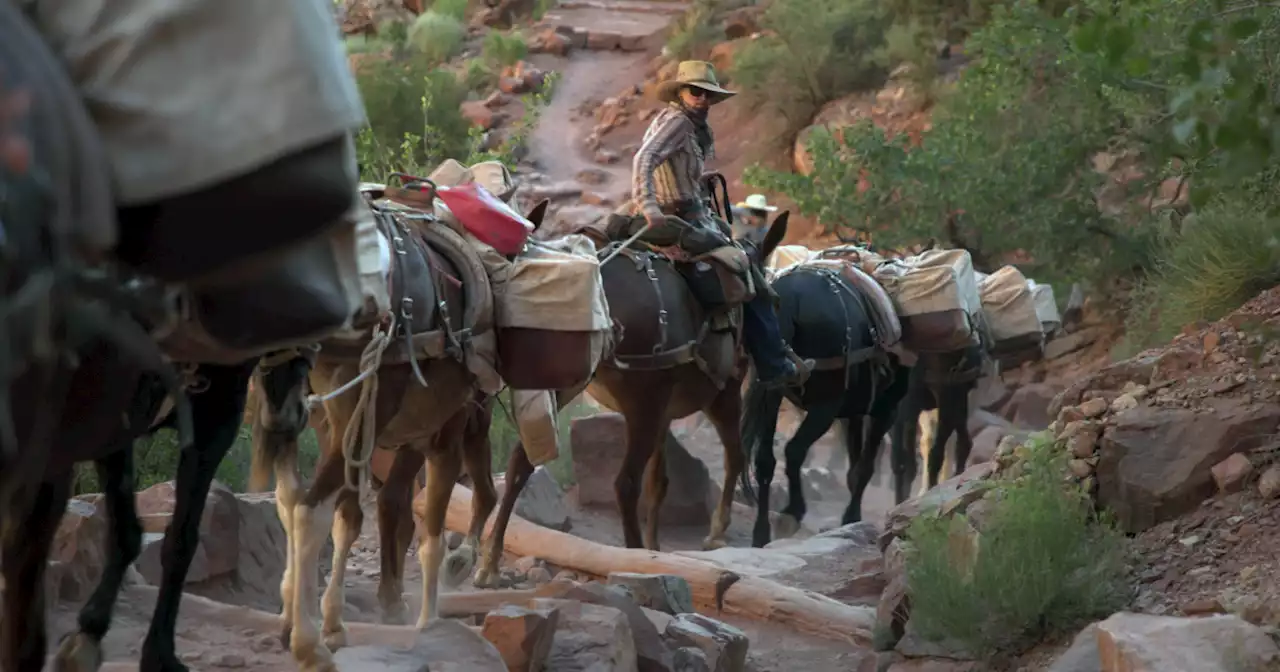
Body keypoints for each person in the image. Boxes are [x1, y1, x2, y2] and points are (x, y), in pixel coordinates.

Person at [631, 60, 813, 389]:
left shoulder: (681, 122)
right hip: (680, 216)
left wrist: (699, 179)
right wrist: (647, 204)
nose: (701, 98)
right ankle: (773, 364)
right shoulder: (680, 124)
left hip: (688, 207)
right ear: (682, 92)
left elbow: (669, 168)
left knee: (733, 242)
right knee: (745, 268)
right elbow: (644, 158)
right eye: (695, 91)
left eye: (707, 93)